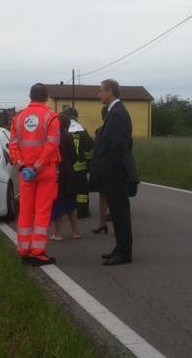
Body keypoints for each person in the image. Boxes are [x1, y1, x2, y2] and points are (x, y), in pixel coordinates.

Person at [9, 83, 60, 266]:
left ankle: (24, 250)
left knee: (26, 211)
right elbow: (51, 145)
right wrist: (37, 167)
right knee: (42, 211)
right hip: (44, 171)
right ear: (46, 97)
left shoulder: (18, 118)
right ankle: (38, 252)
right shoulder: (51, 117)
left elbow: (13, 146)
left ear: (30, 96)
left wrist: (23, 166)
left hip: (25, 173)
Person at [90, 79, 137, 266]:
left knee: (120, 212)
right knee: (117, 213)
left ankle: (124, 253)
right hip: (114, 171)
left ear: (110, 92)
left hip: (116, 172)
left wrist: (107, 169)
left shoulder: (117, 113)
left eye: (100, 91)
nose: (98, 94)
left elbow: (118, 146)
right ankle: (119, 248)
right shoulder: (115, 111)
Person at [49, 113, 80, 240]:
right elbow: (74, 157)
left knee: (58, 204)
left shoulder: (52, 137)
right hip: (69, 174)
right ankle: (74, 232)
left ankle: (57, 234)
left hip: (56, 174)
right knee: (72, 204)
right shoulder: (69, 136)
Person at [62, 107, 94, 219]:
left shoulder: (63, 129)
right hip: (80, 167)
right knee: (82, 192)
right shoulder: (82, 130)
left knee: (67, 189)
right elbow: (89, 148)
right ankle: (82, 211)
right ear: (76, 116)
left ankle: (67, 210)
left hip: (65, 167)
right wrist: (89, 162)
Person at [91, 105, 109, 234]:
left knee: (103, 197)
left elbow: (96, 152)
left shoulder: (99, 131)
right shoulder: (101, 131)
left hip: (103, 168)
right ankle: (103, 223)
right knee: (111, 197)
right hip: (111, 168)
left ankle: (102, 224)